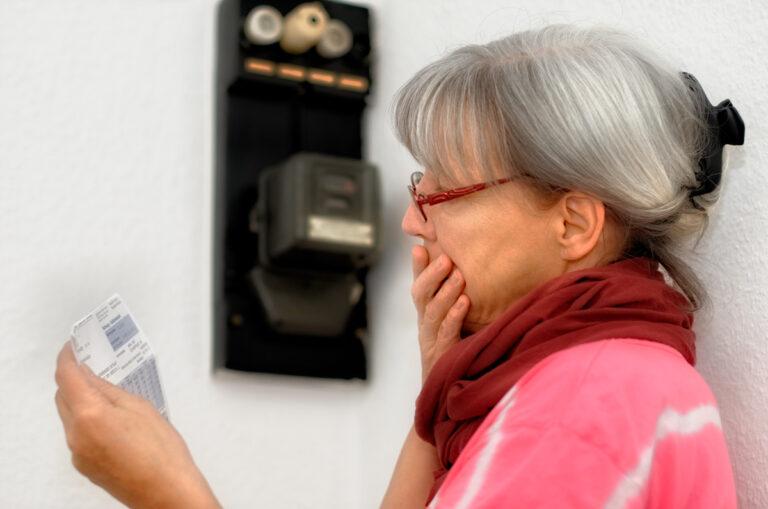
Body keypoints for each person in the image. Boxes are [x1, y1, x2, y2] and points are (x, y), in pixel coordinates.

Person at [55, 22, 743, 508]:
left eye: (441, 189)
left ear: (573, 223)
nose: (413, 219)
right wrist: (438, 392)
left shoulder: (581, 409)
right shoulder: (620, 379)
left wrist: (164, 490)